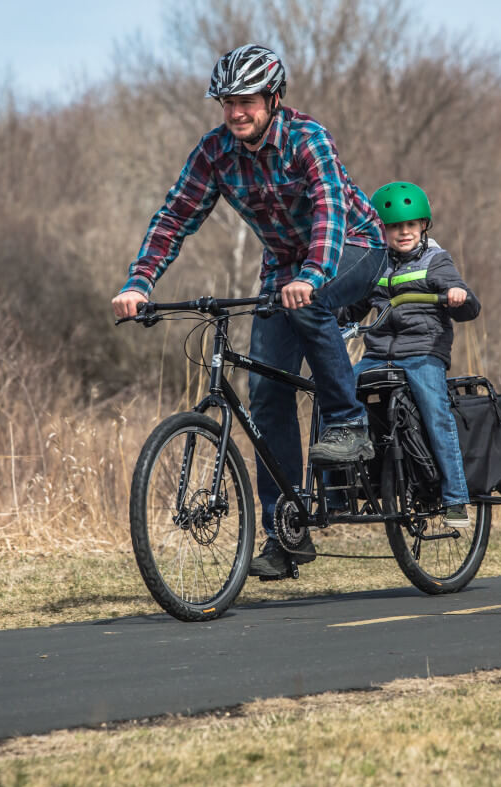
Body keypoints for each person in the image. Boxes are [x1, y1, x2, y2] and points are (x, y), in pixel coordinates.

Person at [112, 44, 389, 578]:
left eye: (248, 101)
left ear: (274, 98)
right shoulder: (216, 151)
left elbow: (331, 210)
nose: (237, 111)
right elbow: (176, 215)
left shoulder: (308, 138)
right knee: (266, 395)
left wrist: (312, 276)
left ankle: (349, 423)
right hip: (285, 265)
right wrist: (140, 281)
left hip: (353, 246)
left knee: (310, 307)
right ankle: (287, 532)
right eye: (228, 102)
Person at [340, 181, 481, 527]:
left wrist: (456, 295)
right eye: (393, 227)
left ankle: (455, 498)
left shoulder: (436, 260)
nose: (403, 232)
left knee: (436, 413)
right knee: (338, 395)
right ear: (382, 230)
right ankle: (340, 489)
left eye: (410, 225)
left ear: (423, 226)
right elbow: (355, 308)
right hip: (378, 355)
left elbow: (467, 303)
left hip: (422, 353)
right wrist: (323, 316)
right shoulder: (375, 265)